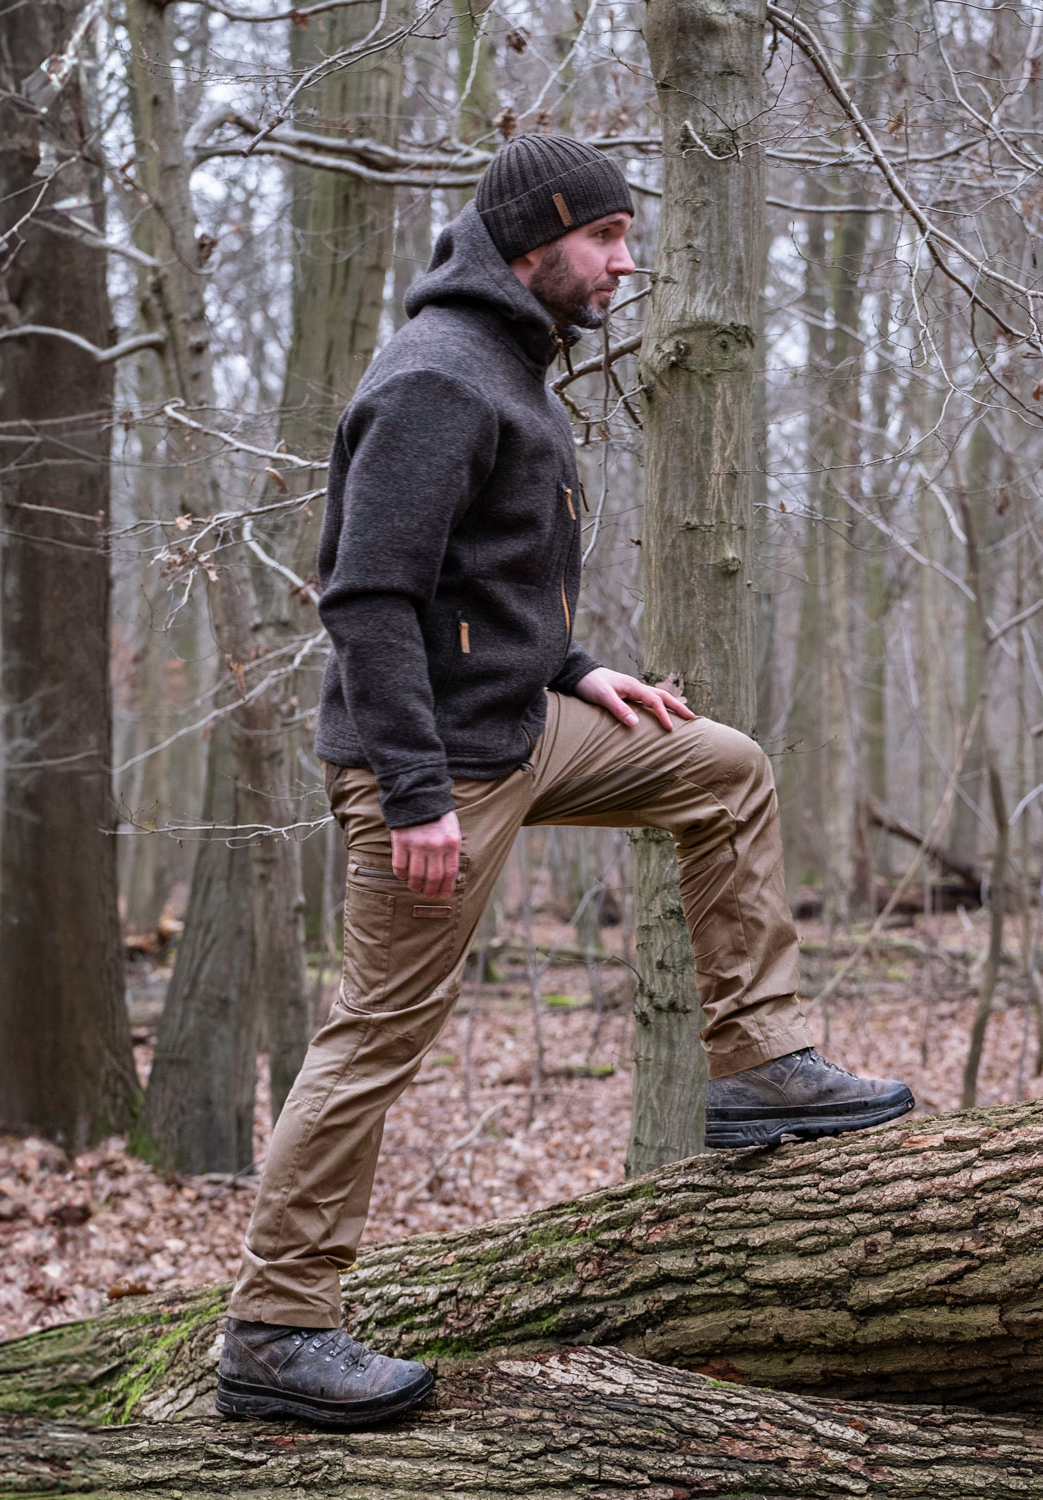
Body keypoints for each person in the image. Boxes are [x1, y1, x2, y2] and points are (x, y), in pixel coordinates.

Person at [216, 135, 915, 1429]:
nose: (624, 261)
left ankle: (759, 1066)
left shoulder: (513, 368)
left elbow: (488, 584)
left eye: (625, 235)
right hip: (433, 767)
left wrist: (585, 674)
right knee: (376, 1036)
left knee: (723, 769)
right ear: (532, 242)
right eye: (604, 236)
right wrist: (414, 792)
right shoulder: (438, 377)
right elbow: (369, 599)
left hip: (524, 725)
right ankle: (275, 1328)